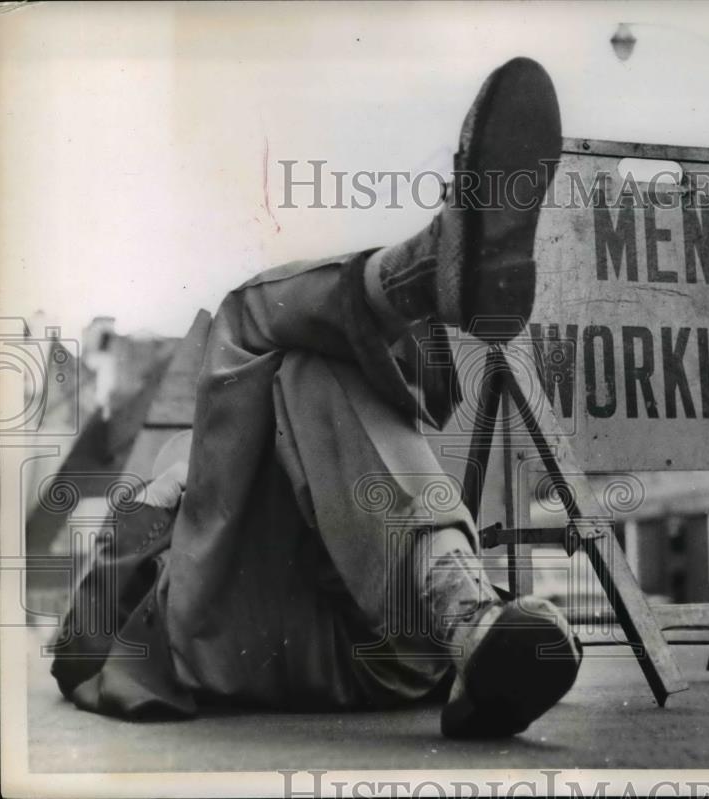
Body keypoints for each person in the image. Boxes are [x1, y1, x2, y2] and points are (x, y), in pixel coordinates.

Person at [51, 57, 582, 739]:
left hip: (389, 646)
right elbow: (76, 650)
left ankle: (468, 619)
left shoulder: (296, 424)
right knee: (252, 319)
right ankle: (418, 276)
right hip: (242, 645)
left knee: (298, 359)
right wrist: (155, 507)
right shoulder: (197, 472)